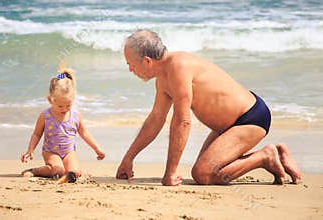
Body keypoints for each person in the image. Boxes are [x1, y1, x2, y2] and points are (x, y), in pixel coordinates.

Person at [116, 29, 301, 186]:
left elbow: (182, 122)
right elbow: (155, 120)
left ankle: (266, 156)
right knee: (208, 169)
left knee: (203, 174)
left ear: (147, 61)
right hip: (227, 127)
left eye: (130, 64)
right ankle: (278, 154)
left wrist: (170, 173)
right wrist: (128, 158)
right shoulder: (163, 79)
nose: (130, 70)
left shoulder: (179, 67)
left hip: (249, 118)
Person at [21, 68, 105, 181]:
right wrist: (30, 150)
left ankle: (78, 171)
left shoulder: (75, 116)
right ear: (51, 100)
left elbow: (84, 133)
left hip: (69, 152)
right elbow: (36, 134)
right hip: (51, 152)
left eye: (68, 105)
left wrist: (97, 149)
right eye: (60, 106)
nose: (64, 109)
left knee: (73, 172)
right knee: (58, 170)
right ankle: (33, 171)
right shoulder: (45, 116)